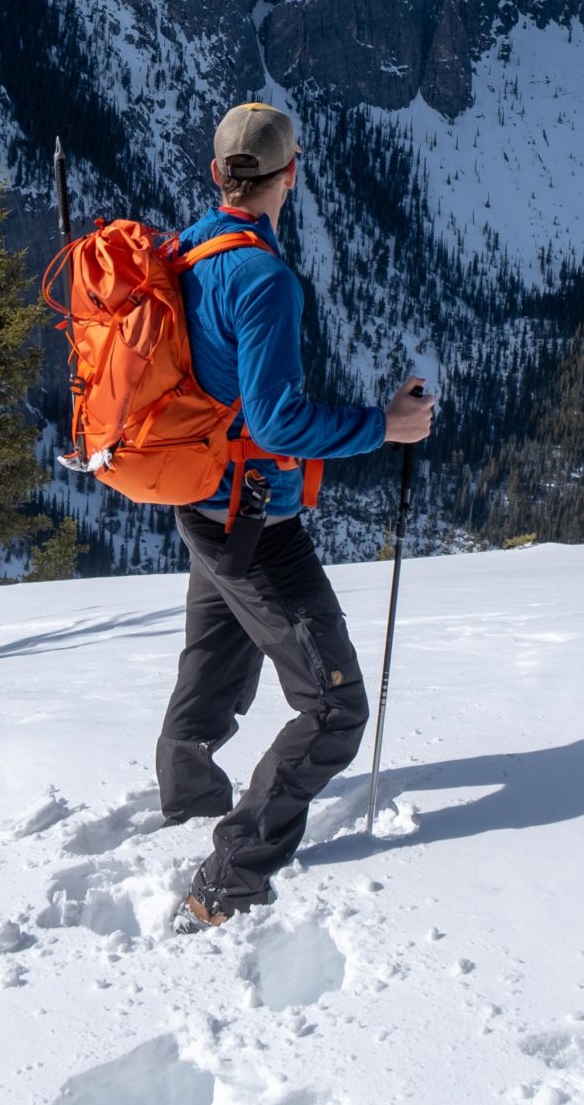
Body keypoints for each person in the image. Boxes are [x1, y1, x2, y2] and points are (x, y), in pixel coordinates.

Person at [159, 100, 435, 927]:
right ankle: (229, 881)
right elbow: (278, 422)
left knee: (217, 654)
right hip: (253, 522)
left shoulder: (190, 248)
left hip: (201, 506)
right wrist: (384, 426)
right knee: (334, 706)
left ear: (217, 176)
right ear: (293, 173)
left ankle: (188, 794)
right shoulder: (263, 278)